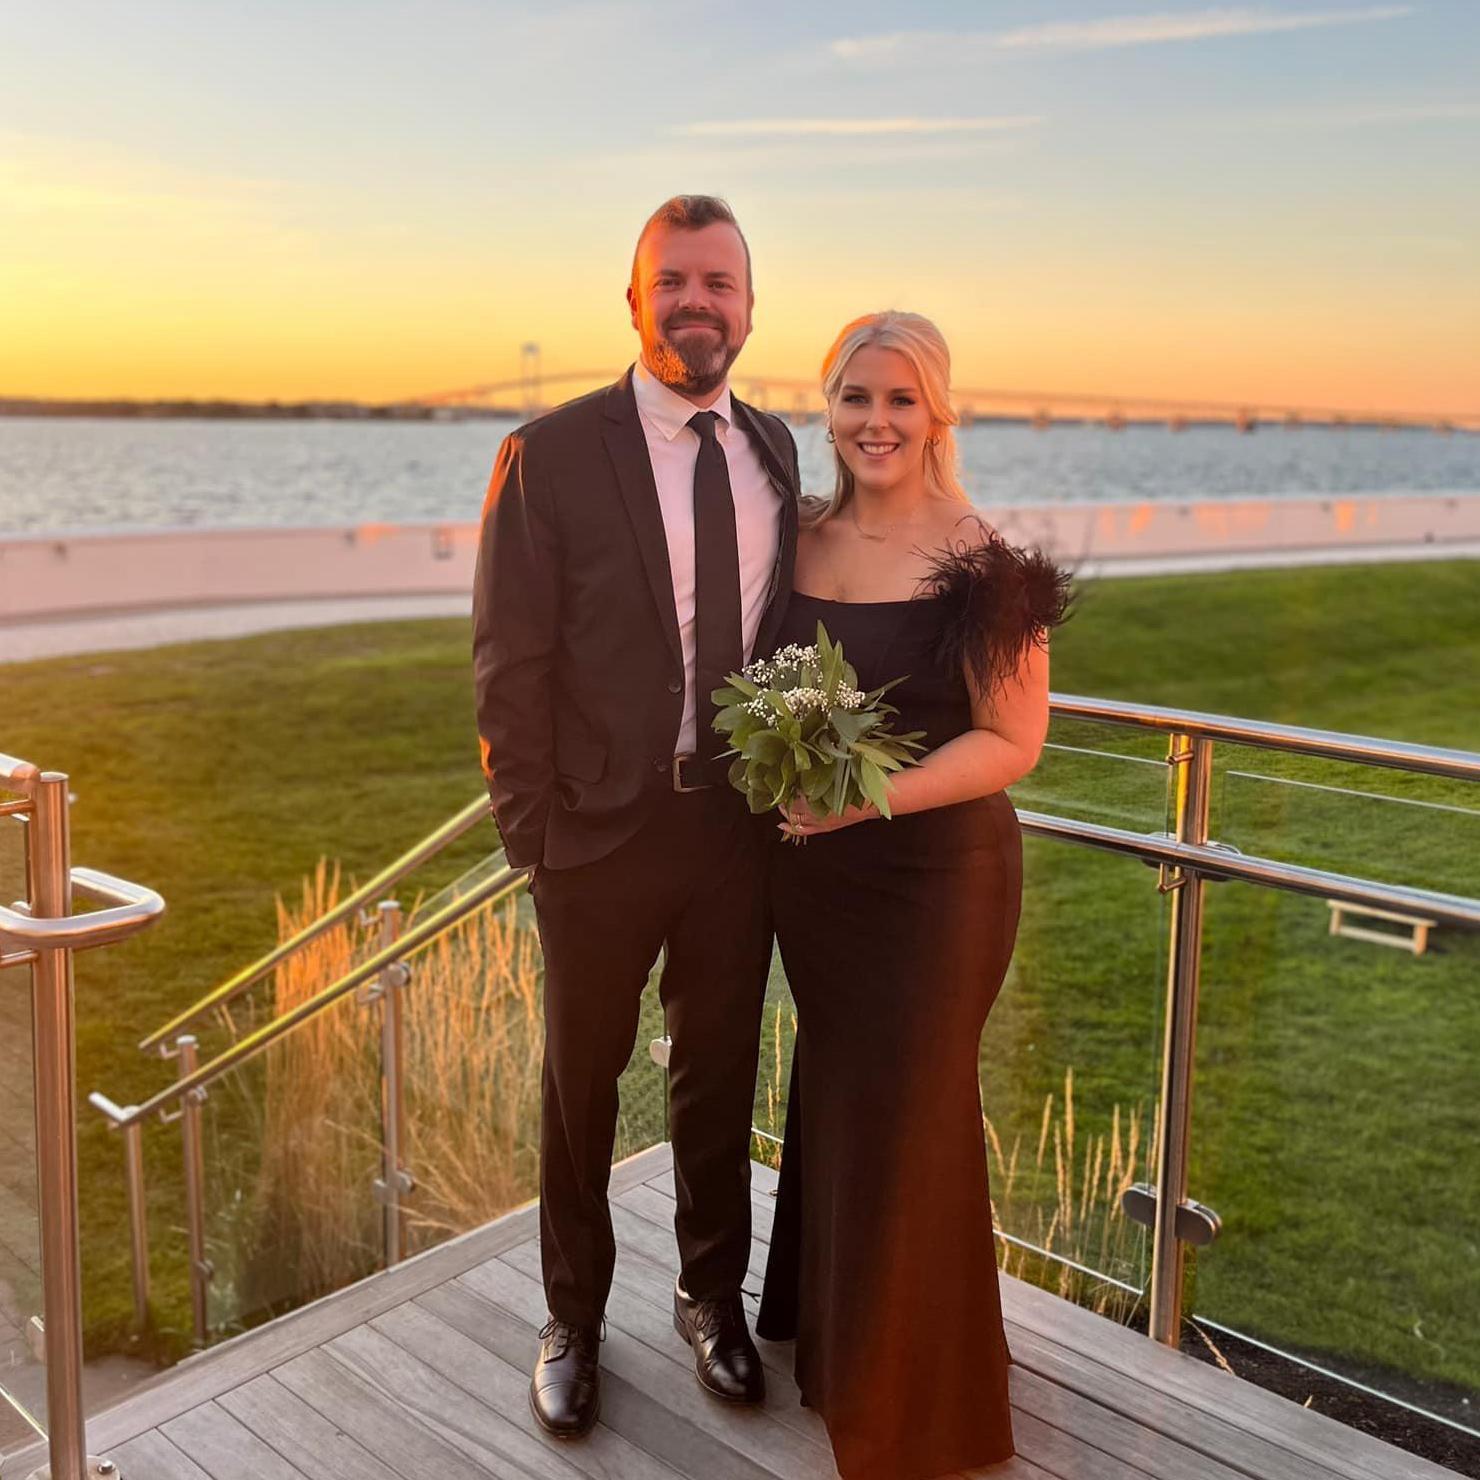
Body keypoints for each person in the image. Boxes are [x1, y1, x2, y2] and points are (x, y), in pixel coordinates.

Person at [472, 195, 801, 1437]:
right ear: (633, 298)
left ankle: (711, 1298)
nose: (695, 303)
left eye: (718, 283)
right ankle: (571, 1318)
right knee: (581, 1089)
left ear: (749, 308)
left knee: (718, 1076)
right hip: (596, 836)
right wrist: (534, 838)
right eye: (673, 281)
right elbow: (508, 658)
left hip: (733, 833)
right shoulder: (549, 452)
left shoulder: (774, 448)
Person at [754, 311, 1071, 1478]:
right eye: (854, 396)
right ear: (827, 407)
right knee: (845, 1090)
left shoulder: (985, 561)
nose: (875, 421)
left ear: (937, 412)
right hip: (819, 885)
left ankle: (914, 1409)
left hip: (936, 883)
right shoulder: (791, 537)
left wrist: (861, 798)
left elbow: (1012, 741)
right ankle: (835, 1339)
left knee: (911, 1109)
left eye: (899, 399)